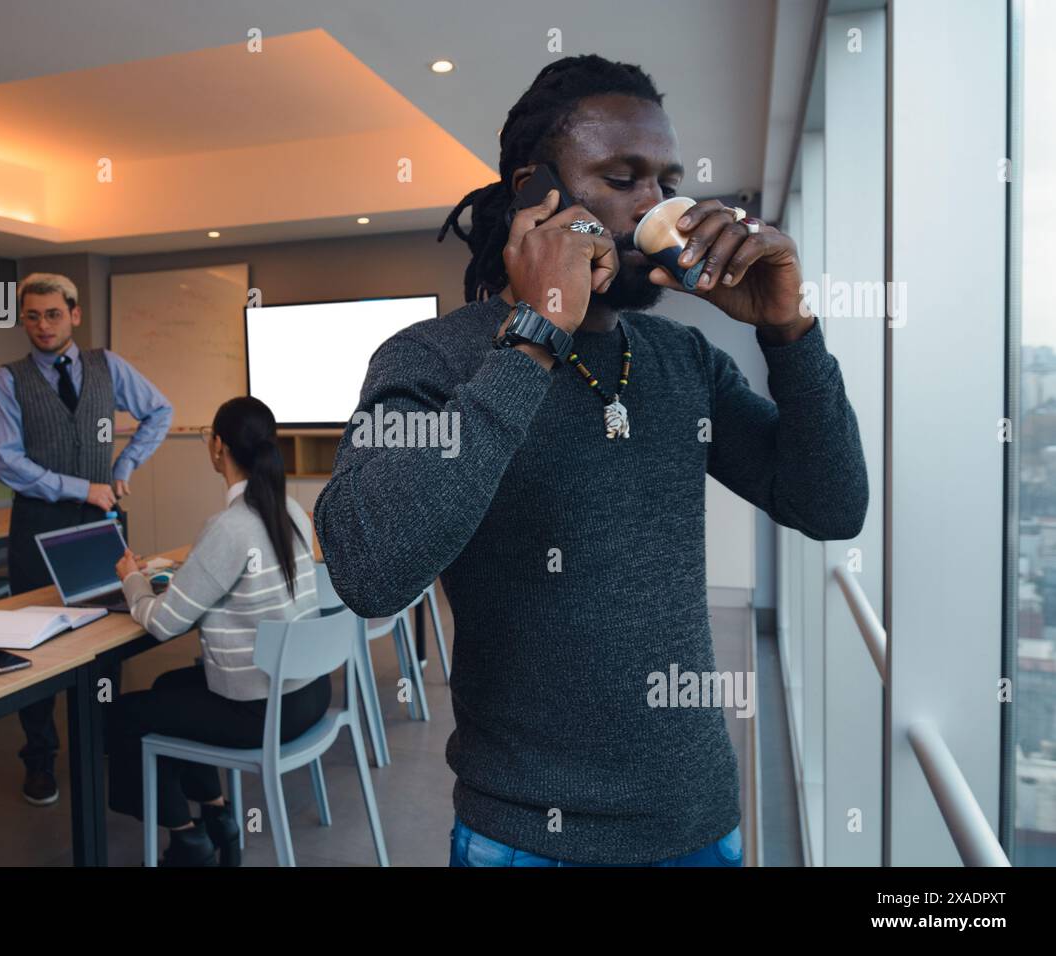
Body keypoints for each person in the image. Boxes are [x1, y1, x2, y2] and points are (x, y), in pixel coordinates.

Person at [314, 55, 869, 867]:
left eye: (667, 178)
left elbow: (831, 506)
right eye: (624, 177)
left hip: (700, 821)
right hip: (526, 839)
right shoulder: (434, 358)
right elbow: (370, 568)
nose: (661, 205)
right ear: (536, 192)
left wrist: (790, 332)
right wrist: (538, 334)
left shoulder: (681, 360)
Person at [105, 396, 329, 866]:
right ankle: (216, 812)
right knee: (169, 687)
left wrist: (132, 579)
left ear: (217, 447)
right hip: (310, 695)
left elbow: (164, 622)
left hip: (261, 711)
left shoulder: (229, 527)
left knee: (125, 715)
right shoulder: (289, 508)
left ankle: (188, 840)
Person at [0, 272, 172, 806]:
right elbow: (5, 459)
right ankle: (39, 758)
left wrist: (125, 462)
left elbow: (161, 410)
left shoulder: (106, 366)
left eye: (53, 314)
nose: (42, 325)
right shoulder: (7, 379)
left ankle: (105, 736)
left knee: (108, 634)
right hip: (38, 524)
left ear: (74, 315)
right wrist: (79, 488)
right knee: (34, 644)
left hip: (101, 523)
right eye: (32, 316)